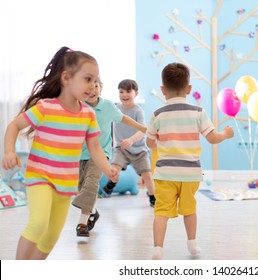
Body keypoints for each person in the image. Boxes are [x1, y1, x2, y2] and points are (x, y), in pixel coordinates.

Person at [1, 46, 119, 259]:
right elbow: (14, 126)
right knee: (38, 223)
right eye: (88, 79)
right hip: (40, 177)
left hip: (65, 183)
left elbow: (95, 148)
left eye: (96, 80)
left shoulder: (88, 115)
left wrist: (108, 169)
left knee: (52, 234)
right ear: (66, 78)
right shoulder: (45, 108)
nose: (93, 85)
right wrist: (9, 151)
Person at [146, 62, 234, 260]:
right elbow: (212, 138)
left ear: (162, 89)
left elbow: (150, 143)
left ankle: (158, 249)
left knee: (161, 211)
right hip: (190, 174)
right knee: (189, 209)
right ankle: (192, 243)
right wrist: (226, 134)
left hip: (165, 174)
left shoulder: (157, 115)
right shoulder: (198, 112)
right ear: (189, 89)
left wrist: (158, 138)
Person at [72, 78, 147, 237]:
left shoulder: (107, 106)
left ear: (101, 88)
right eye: (88, 88)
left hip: (100, 154)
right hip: (80, 154)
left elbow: (123, 119)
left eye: (96, 86)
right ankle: (93, 212)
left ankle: (82, 223)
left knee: (91, 184)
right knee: (82, 187)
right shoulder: (79, 106)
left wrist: (141, 127)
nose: (92, 91)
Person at [101, 79, 156, 207]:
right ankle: (111, 184)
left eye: (128, 91)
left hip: (139, 150)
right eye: (121, 91)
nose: (124, 95)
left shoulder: (138, 111)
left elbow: (142, 130)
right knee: (114, 169)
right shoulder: (115, 109)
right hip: (122, 149)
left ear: (135, 93)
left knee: (147, 174)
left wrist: (131, 140)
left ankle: (152, 196)